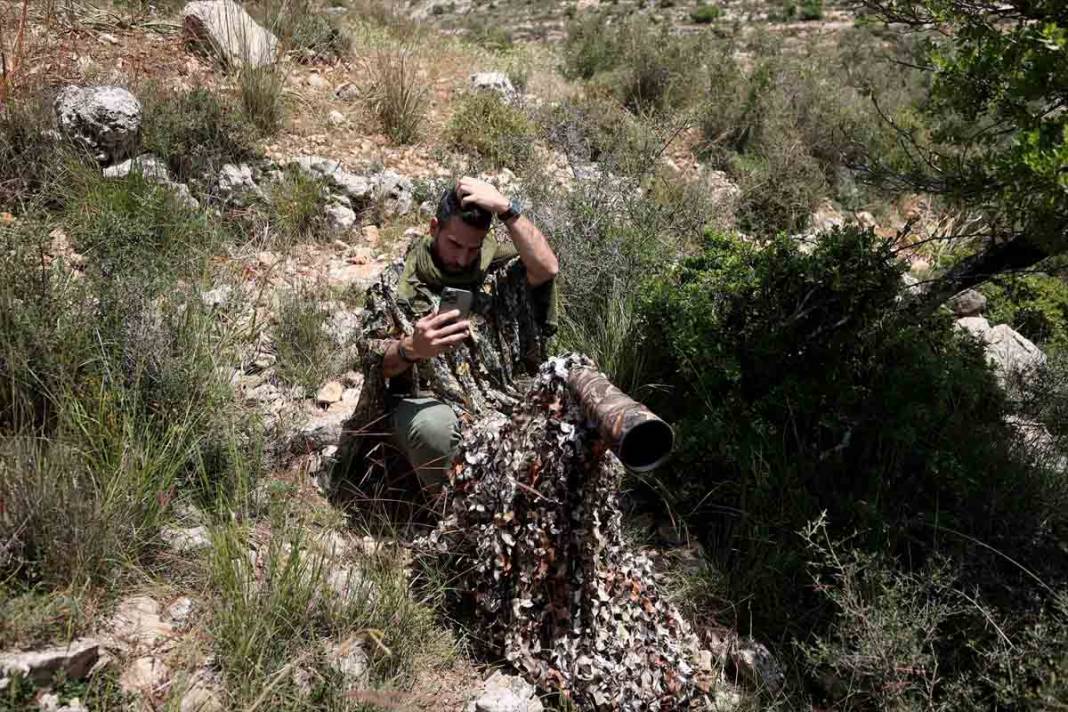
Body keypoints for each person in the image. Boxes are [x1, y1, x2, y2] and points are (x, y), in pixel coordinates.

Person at [348, 176, 559, 495]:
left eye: (473, 248)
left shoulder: (495, 273)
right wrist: (411, 349)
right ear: (434, 228)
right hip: (427, 405)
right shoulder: (394, 287)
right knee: (434, 428)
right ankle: (461, 520)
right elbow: (376, 362)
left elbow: (546, 269)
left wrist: (507, 209)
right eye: (455, 245)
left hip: (496, 398)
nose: (462, 258)